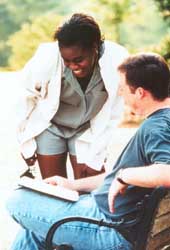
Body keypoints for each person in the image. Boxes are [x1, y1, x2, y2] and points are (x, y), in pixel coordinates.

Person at [7, 52, 170, 250]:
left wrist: (124, 176)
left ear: (140, 93)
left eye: (122, 89)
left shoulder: (156, 128)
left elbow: (166, 172)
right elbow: (115, 177)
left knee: (17, 200)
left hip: (109, 229)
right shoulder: (163, 121)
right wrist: (72, 185)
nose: (120, 94)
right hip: (112, 219)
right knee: (33, 229)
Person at [17, 13, 128, 179]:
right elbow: (24, 99)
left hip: (88, 128)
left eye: (78, 59)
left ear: (95, 46)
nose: (73, 66)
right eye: (66, 60)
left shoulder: (117, 60)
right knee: (54, 190)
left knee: (89, 190)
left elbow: (114, 114)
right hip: (50, 127)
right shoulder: (46, 58)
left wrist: (97, 156)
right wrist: (25, 142)